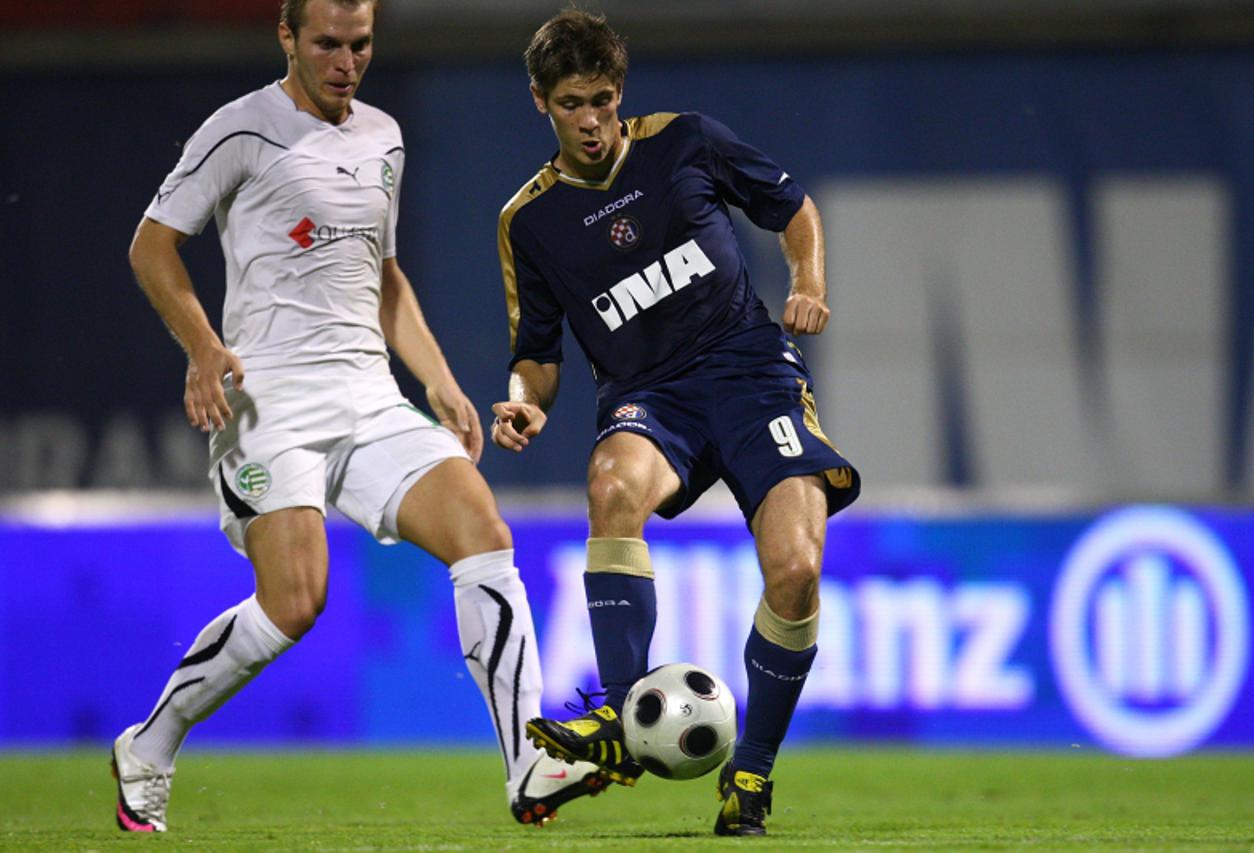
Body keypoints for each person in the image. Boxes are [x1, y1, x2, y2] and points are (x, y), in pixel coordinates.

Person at [115, 0, 610, 833]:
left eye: (361, 44)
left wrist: (441, 382)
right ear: (288, 38)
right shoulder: (241, 129)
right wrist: (203, 347)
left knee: (483, 529)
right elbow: (151, 244)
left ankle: (529, 762)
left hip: (370, 393)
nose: (347, 61)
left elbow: (382, 275)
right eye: (328, 44)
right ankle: (150, 743)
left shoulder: (384, 135)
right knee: (295, 599)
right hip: (270, 395)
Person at [490, 8, 860, 839]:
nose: (591, 119)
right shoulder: (530, 221)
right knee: (610, 482)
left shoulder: (686, 141)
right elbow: (538, 350)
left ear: (620, 91)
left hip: (751, 374)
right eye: (571, 103)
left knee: (798, 570)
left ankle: (751, 775)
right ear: (539, 103)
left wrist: (808, 278)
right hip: (648, 395)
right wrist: (523, 397)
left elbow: (794, 206)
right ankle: (624, 720)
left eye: (603, 98)